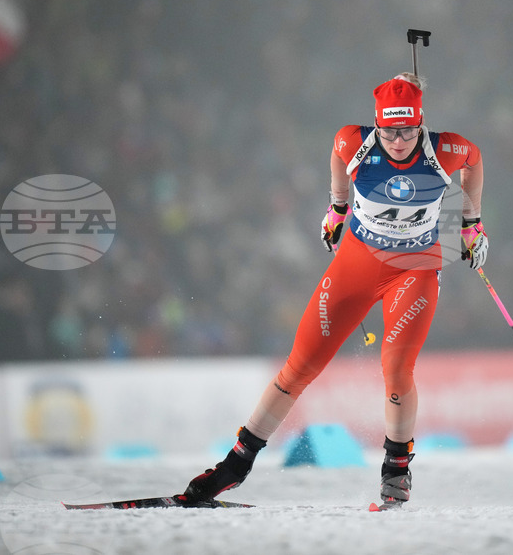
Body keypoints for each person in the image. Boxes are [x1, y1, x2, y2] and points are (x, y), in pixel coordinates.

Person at [177, 72, 488, 508]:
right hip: (357, 263)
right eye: (388, 131)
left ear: (421, 124)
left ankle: (396, 473)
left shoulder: (447, 149)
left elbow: (474, 162)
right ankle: (235, 466)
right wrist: (337, 207)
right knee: (298, 369)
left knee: (397, 371)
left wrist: (472, 224)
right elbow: (338, 160)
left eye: (407, 131)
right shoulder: (351, 142)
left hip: (414, 270)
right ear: (376, 125)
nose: (398, 141)